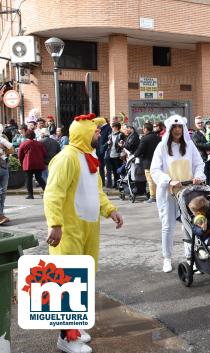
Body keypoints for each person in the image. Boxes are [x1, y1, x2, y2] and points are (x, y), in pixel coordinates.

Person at [44, 113, 124, 353]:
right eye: (96, 132)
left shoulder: (88, 158)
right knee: (68, 285)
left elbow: (96, 192)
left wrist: (110, 210)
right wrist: (55, 224)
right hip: (69, 232)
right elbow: (53, 193)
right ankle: (66, 339)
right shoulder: (66, 158)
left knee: (82, 282)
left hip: (88, 230)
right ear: (83, 133)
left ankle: (75, 329)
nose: (99, 134)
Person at [151, 115, 205, 273]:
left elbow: (199, 164)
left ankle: (191, 257)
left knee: (190, 225)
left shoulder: (189, 146)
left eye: (180, 127)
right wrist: (168, 181)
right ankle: (167, 258)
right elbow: (155, 169)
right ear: (169, 129)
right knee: (168, 226)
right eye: (174, 127)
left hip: (188, 191)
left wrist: (198, 176)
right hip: (169, 192)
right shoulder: (161, 147)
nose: (177, 130)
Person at [134, 122, 161, 203]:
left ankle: (153, 197)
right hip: (158, 161)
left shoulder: (145, 138)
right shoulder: (158, 137)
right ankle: (158, 195)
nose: (143, 130)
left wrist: (135, 154)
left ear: (145, 129)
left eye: (143, 129)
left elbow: (139, 151)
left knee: (150, 180)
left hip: (148, 162)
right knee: (157, 180)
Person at [18, 129, 47, 199]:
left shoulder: (24, 143)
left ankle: (30, 195)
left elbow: (20, 155)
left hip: (28, 163)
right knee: (39, 178)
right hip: (38, 163)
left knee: (29, 179)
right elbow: (44, 153)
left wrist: (22, 162)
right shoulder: (39, 143)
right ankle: (47, 192)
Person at [0, 127, 14, 225]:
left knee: (3, 192)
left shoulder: (3, 137)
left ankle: (1, 214)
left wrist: (3, 148)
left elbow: (11, 151)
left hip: (4, 167)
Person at [107, 122, 125, 189]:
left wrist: (120, 144)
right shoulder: (110, 135)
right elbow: (109, 144)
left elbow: (122, 143)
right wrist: (108, 143)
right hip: (111, 154)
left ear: (117, 127)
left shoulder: (121, 134)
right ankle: (115, 183)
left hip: (118, 154)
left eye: (113, 127)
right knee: (114, 170)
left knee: (118, 170)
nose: (112, 128)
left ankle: (120, 184)